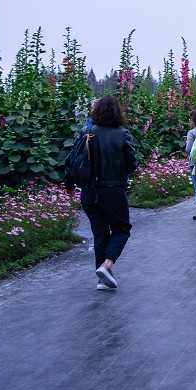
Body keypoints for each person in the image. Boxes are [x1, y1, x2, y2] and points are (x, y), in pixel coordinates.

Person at [64, 95, 138, 291]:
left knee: (100, 233)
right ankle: (107, 265)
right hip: (112, 190)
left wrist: (69, 185)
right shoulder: (122, 134)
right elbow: (132, 164)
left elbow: (72, 160)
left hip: (88, 191)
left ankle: (102, 279)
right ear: (117, 112)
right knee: (122, 229)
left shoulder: (85, 132)